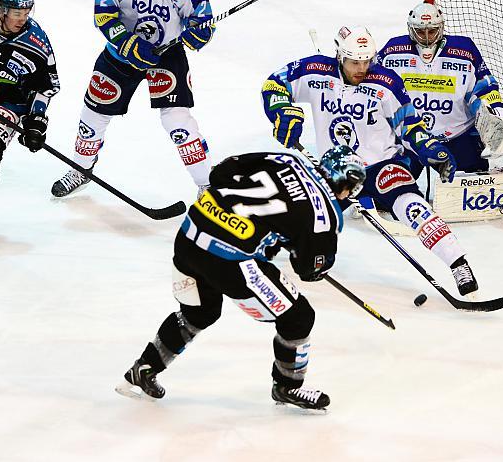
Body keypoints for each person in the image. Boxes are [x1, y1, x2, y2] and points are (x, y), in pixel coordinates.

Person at [115, 146, 366, 411]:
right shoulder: (325, 215)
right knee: (299, 317)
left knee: (200, 312)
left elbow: (221, 171)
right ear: (346, 183)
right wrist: (293, 243)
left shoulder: (285, 159)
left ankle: (144, 367)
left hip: (190, 235)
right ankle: (287, 385)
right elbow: (310, 270)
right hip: (228, 260)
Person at [260, 25, 479, 297]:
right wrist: (282, 111)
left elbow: (409, 125)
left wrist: (429, 147)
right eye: (354, 62)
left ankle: (458, 262)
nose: (361, 68)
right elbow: (274, 84)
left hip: (383, 166)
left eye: (367, 60)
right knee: (306, 215)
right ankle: (264, 247)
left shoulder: (386, 82)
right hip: (337, 170)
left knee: (413, 207)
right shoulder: (314, 71)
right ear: (339, 55)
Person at [50, 0, 216, 199]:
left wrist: (200, 33)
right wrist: (128, 43)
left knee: (177, 121)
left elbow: (203, 20)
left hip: (168, 55)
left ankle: (207, 183)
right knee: (92, 116)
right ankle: (80, 169)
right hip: (119, 55)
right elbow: (104, 16)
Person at [377, 2, 503, 173]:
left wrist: (499, 114)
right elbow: (374, 84)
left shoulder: (464, 50)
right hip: (412, 137)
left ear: (441, 27)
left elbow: (484, 88)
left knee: (472, 186)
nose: (426, 37)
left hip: (458, 135)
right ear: (411, 29)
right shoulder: (393, 51)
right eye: (420, 31)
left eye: (431, 31)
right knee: (389, 186)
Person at [0, 0, 60, 238]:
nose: (23, 19)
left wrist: (36, 123)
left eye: (27, 13)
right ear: (1, 10)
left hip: (7, 102)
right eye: (18, 13)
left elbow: (46, 86)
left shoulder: (37, 43)